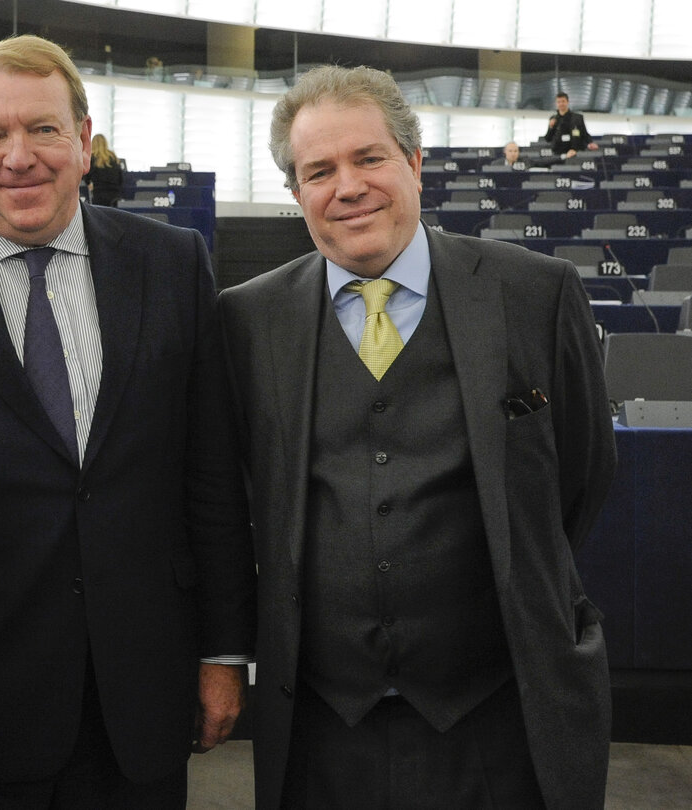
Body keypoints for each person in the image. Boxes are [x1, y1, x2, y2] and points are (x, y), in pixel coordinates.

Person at [0, 34, 255, 809]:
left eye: (43, 129)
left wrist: (223, 653)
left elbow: (209, 477)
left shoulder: (173, 265)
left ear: (85, 140)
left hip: (136, 701)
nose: (18, 156)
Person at [219, 65, 615, 809]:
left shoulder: (535, 292)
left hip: (500, 715)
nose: (348, 186)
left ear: (413, 163)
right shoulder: (245, 319)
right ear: (295, 193)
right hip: (320, 726)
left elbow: (581, 477)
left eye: (368, 158)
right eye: (318, 171)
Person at [544, 91, 599, 159]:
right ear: (556, 104)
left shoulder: (578, 118)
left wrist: (590, 142)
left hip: (575, 152)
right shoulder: (553, 119)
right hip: (558, 154)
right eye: (559, 102)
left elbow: (584, 134)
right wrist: (551, 127)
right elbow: (548, 139)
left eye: (563, 101)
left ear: (567, 102)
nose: (561, 104)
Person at [85, 133, 124, 206]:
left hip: (98, 195)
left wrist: (89, 184)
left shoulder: (92, 158)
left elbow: (86, 176)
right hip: (115, 196)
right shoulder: (113, 156)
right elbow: (120, 179)